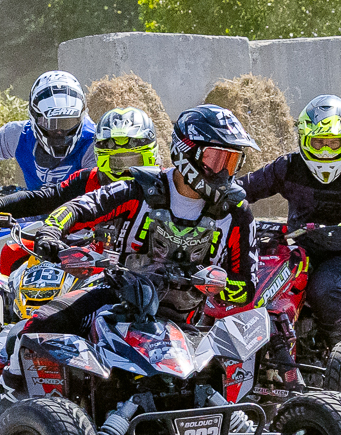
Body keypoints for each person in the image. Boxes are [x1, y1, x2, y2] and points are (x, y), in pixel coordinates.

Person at [24, 104, 259, 325]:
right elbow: (79, 207)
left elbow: (247, 290)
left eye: (231, 162)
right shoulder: (140, 189)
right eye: (216, 160)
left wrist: (215, 281)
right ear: (186, 152)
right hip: (114, 304)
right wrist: (50, 231)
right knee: (38, 324)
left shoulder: (237, 212)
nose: (224, 173)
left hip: (186, 327)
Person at [236, 95, 341, 356]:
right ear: (303, 139)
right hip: (298, 252)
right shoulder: (288, 166)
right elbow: (243, 189)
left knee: (324, 289)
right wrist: (216, 193)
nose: (325, 151)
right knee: (250, 281)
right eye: (318, 142)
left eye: (334, 142)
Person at [0, 106, 163, 274]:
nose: (126, 170)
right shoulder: (87, 179)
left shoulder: (168, 187)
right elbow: (43, 198)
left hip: (149, 274)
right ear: (101, 157)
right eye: (117, 162)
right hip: (88, 262)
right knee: (12, 252)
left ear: (151, 155)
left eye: (133, 160)